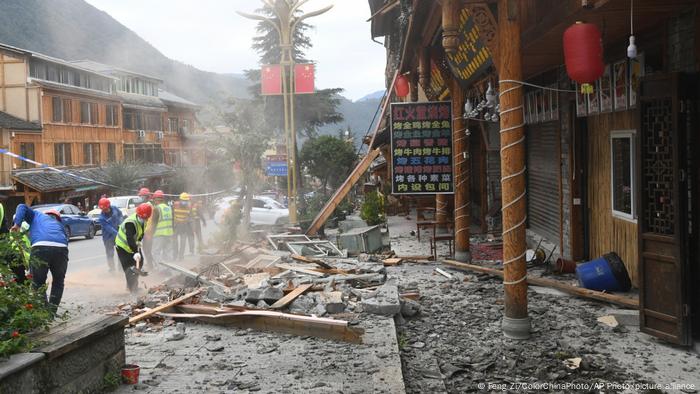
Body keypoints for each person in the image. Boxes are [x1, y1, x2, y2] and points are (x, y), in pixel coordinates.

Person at [11, 205, 69, 313]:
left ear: (46, 214)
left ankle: (43, 313)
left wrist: (17, 224)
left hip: (40, 246)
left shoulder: (37, 215)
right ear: (57, 218)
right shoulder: (60, 225)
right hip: (62, 249)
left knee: (38, 282)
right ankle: (51, 313)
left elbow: (21, 206)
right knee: (58, 282)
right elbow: (66, 241)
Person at [114, 203, 152, 293]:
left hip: (132, 245)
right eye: (142, 218)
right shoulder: (130, 223)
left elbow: (141, 233)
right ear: (138, 214)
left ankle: (132, 284)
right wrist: (135, 252)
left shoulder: (144, 221)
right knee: (129, 268)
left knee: (140, 262)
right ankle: (132, 289)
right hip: (122, 247)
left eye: (145, 218)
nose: (144, 220)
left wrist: (138, 243)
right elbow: (129, 238)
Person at [98, 197, 123, 272]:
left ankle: (121, 268)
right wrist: (118, 234)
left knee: (121, 252)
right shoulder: (101, 217)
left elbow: (120, 214)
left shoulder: (115, 208)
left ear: (109, 206)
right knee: (110, 254)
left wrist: (121, 224)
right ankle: (112, 269)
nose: (105, 211)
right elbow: (109, 228)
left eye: (106, 208)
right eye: (103, 209)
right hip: (108, 238)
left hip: (118, 234)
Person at [151, 190, 173, 264]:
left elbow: (154, 223)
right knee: (167, 252)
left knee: (156, 252)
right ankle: (169, 269)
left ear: (156, 199)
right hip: (169, 233)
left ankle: (161, 269)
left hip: (159, 234)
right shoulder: (168, 208)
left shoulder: (156, 209)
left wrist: (150, 234)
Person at [137, 187, 156, 268]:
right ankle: (151, 264)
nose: (140, 198)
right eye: (140, 196)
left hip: (148, 231)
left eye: (142, 196)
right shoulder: (148, 204)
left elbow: (149, 220)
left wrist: (147, 231)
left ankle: (151, 265)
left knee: (147, 249)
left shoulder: (148, 205)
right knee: (146, 249)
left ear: (146, 196)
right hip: (147, 231)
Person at [173, 192, 194, 261]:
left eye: (186, 201)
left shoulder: (189, 207)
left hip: (184, 226)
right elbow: (171, 214)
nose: (184, 202)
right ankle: (175, 255)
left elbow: (190, 217)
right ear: (180, 200)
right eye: (183, 201)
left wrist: (192, 226)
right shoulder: (175, 205)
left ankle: (181, 256)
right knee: (175, 242)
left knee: (183, 242)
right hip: (175, 226)